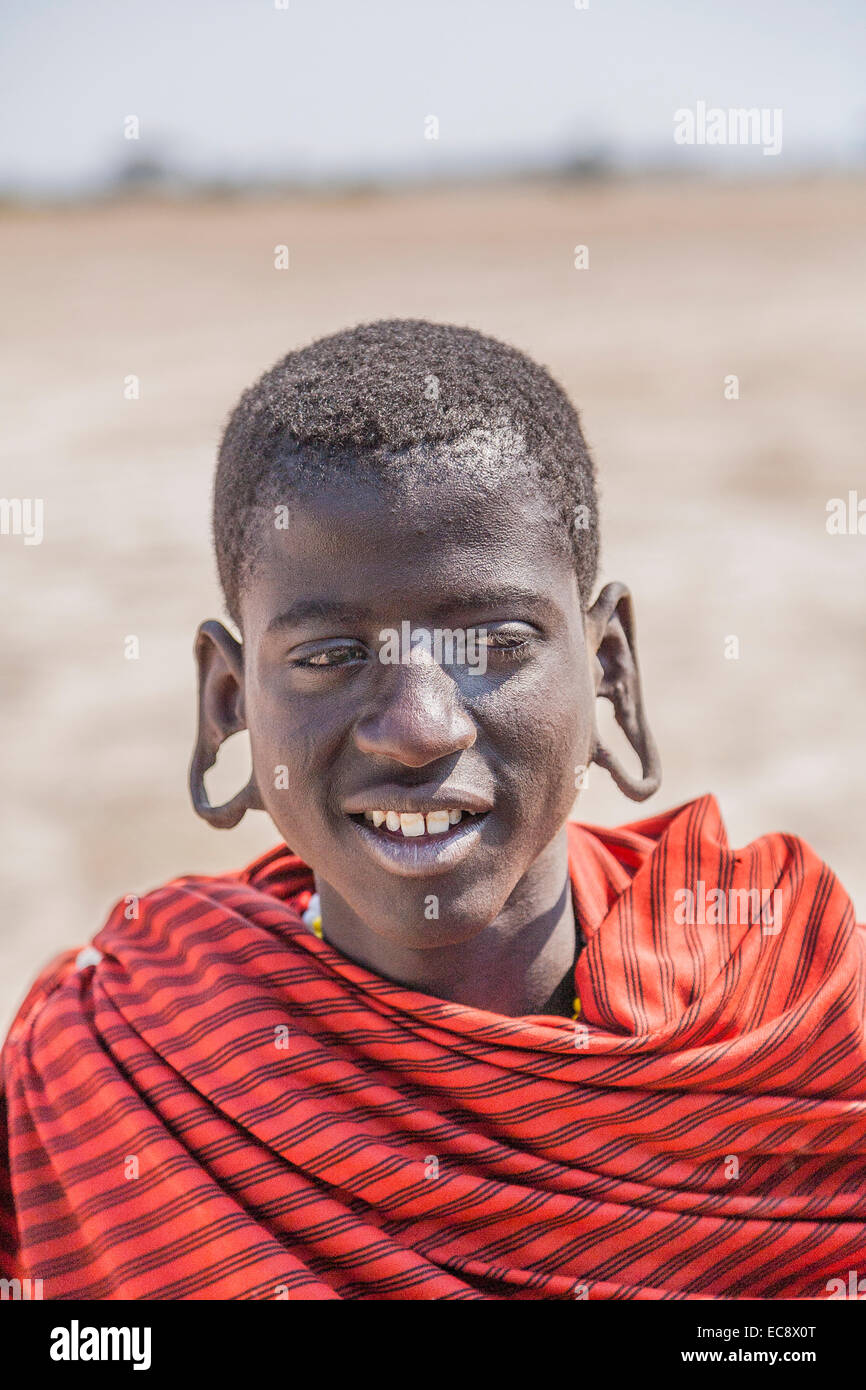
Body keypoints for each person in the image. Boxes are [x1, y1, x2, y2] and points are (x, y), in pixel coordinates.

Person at [1, 319, 864, 1300]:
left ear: (608, 669)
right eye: (330, 655)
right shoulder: (112, 1067)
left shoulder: (799, 1036)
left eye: (493, 641)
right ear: (228, 702)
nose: (415, 728)